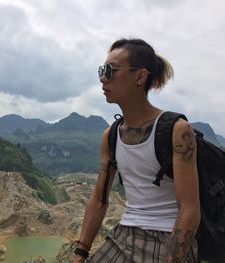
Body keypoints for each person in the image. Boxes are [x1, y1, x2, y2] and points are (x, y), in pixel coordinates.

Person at [72, 38, 200, 263]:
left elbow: (189, 209)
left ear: (140, 76)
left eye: (110, 70)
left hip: (168, 239)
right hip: (124, 235)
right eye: (101, 70)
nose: (102, 78)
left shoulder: (177, 130)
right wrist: (80, 254)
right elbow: (99, 200)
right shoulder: (110, 136)